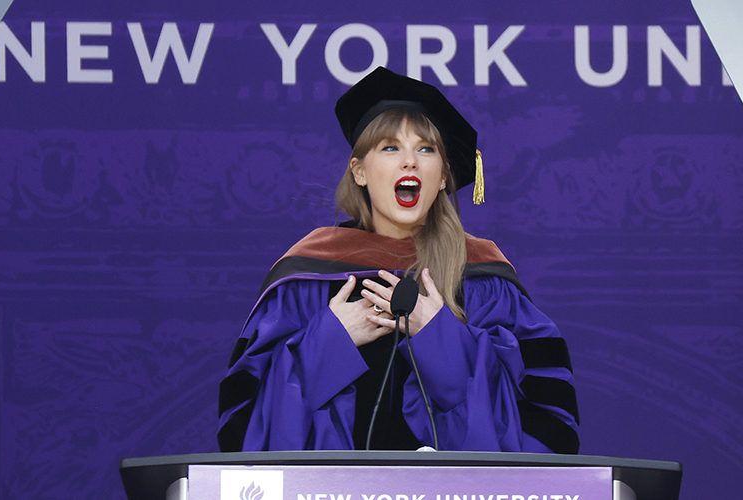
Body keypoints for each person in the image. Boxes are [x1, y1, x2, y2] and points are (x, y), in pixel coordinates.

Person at [217, 67, 579, 453]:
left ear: (442, 177)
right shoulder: (306, 280)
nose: (410, 162)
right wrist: (329, 342)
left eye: (426, 149)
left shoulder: (485, 283)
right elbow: (242, 428)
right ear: (359, 171)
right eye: (390, 147)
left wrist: (439, 339)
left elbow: (551, 429)